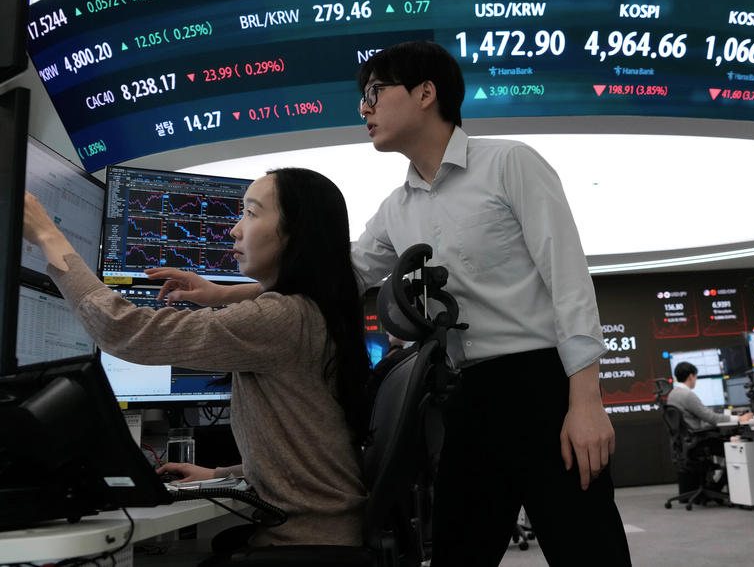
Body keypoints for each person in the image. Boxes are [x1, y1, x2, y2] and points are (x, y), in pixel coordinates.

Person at [152, 41, 632, 567]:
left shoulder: (509, 163)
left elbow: (569, 282)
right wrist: (223, 293)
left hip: (544, 386)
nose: (365, 108)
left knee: (589, 552)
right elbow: (337, 279)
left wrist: (586, 402)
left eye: (375, 92)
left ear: (426, 93)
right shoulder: (395, 209)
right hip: (469, 393)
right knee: (457, 556)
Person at [21, 168, 370, 548]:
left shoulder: (282, 318)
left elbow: (123, 330)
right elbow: (310, 454)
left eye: (251, 214)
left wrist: (49, 237)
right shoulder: (317, 311)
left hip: (303, 543)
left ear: (297, 232)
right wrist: (221, 473)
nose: (235, 230)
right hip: (324, 534)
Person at [667, 361, 754, 432]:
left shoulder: (672, 394)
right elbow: (712, 418)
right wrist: (739, 418)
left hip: (685, 439)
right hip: (698, 437)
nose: (696, 379)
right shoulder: (687, 395)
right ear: (691, 376)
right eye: (695, 376)